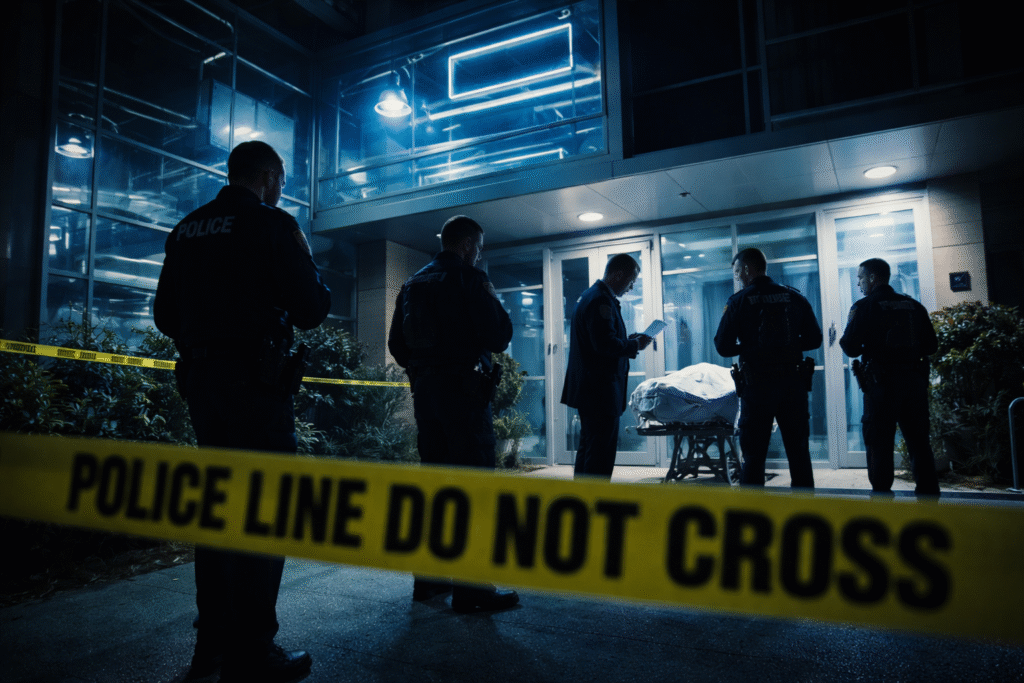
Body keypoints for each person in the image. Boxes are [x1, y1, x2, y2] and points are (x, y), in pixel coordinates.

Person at [155, 140, 330, 682]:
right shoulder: (273, 225)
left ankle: (211, 646)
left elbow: (165, 316)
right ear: (268, 176)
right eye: (281, 180)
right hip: (256, 387)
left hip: (205, 388)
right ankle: (253, 650)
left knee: (216, 512)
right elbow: (311, 308)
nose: (281, 189)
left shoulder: (186, 229)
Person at [387, 215, 520, 613]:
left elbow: (397, 345)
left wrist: (428, 368)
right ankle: (472, 592)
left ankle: (429, 580)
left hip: (427, 399)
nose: (478, 255)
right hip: (465, 398)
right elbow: (499, 335)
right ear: (465, 246)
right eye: (478, 248)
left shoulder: (412, 284)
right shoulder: (470, 278)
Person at [714, 247, 822, 489]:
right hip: (792, 385)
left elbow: (723, 346)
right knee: (799, 452)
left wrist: (751, 347)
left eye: (737, 272)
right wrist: (788, 346)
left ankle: (753, 509)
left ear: (746, 269)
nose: (737, 277)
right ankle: (805, 505)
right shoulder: (795, 297)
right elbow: (815, 339)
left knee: (753, 456)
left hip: (757, 387)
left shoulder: (739, 301)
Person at [839, 258, 940, 498]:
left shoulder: (865, 306)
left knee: (879, 444)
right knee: (919, 444)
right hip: (913, 384)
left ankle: (882, 500)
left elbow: (850, 347)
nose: (858, 284)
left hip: (881, 386)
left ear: (872, 278)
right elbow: (931, 346)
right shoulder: (913, 305)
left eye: (860, 278)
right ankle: (929, 500)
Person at [561, 254, 652, 479]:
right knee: (600, 453)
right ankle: (595, 497)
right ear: (618, 275)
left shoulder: (590, 296)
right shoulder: (600, 300)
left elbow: (600, 341)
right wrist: (635, 344)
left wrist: (627, 341)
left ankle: (583, 495)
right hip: (599, 390)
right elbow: (604, 344)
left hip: (591, 389)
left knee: (589, 447)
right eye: (631, 280)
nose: (631, 287)